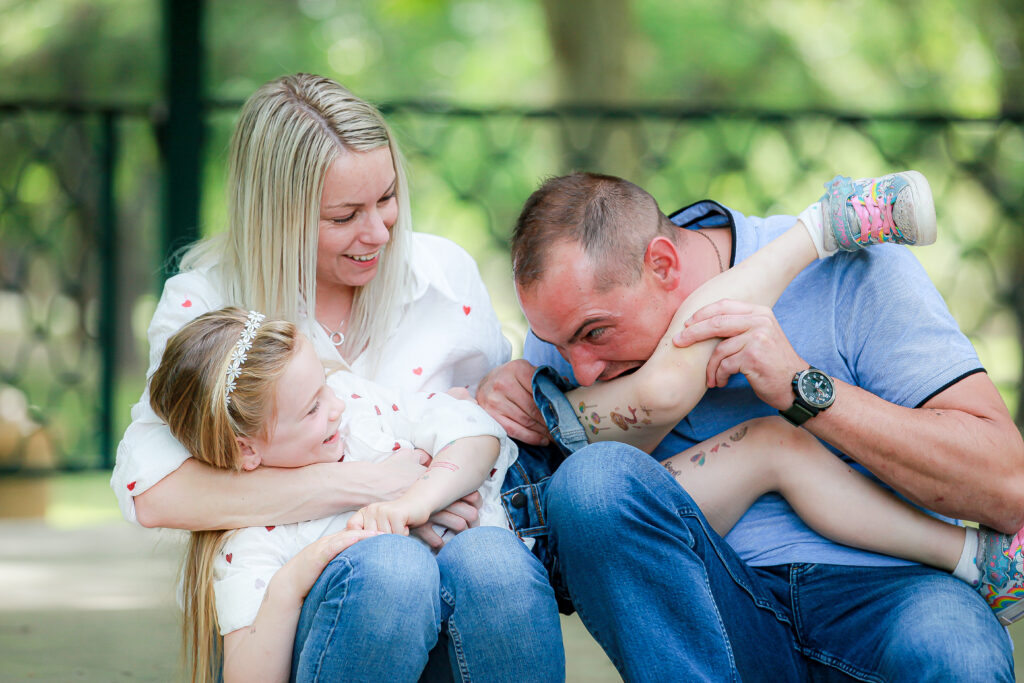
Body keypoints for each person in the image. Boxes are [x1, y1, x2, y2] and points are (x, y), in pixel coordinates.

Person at [482, 170, 1024, 680]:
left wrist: (804, 389)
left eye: (595, 334)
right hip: (709, 603)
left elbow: (1009, 488)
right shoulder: (571, 339)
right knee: (593, 482)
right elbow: (582, 516)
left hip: (894, 587)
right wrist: (501, 396)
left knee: (957, 654)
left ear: (664, 264)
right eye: (558, 346)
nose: (580, 371)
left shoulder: (857, 274)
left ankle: (969, 562)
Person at [109, 74, 562, 680]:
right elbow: (157, 490)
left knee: (495, 565)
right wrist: (377, 490)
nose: (378, 232)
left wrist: (487, 412)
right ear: (278, 215)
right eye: (345, 215)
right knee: (389, 570)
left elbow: (475, 435)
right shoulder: (210, 306)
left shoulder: (444, 277)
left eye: (387, 198)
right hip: (313, 608)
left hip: (458, 581)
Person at [148, 308, 560, 683]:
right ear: (246, 449)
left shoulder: (361, 414)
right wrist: (291, 582)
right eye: (311, 410)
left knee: (494, 555)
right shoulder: (254, 537)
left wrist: (418, 499)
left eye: (325, 386)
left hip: (469, 638)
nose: (336, 406)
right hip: (364, 652)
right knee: (393, 564)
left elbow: (474, 429)